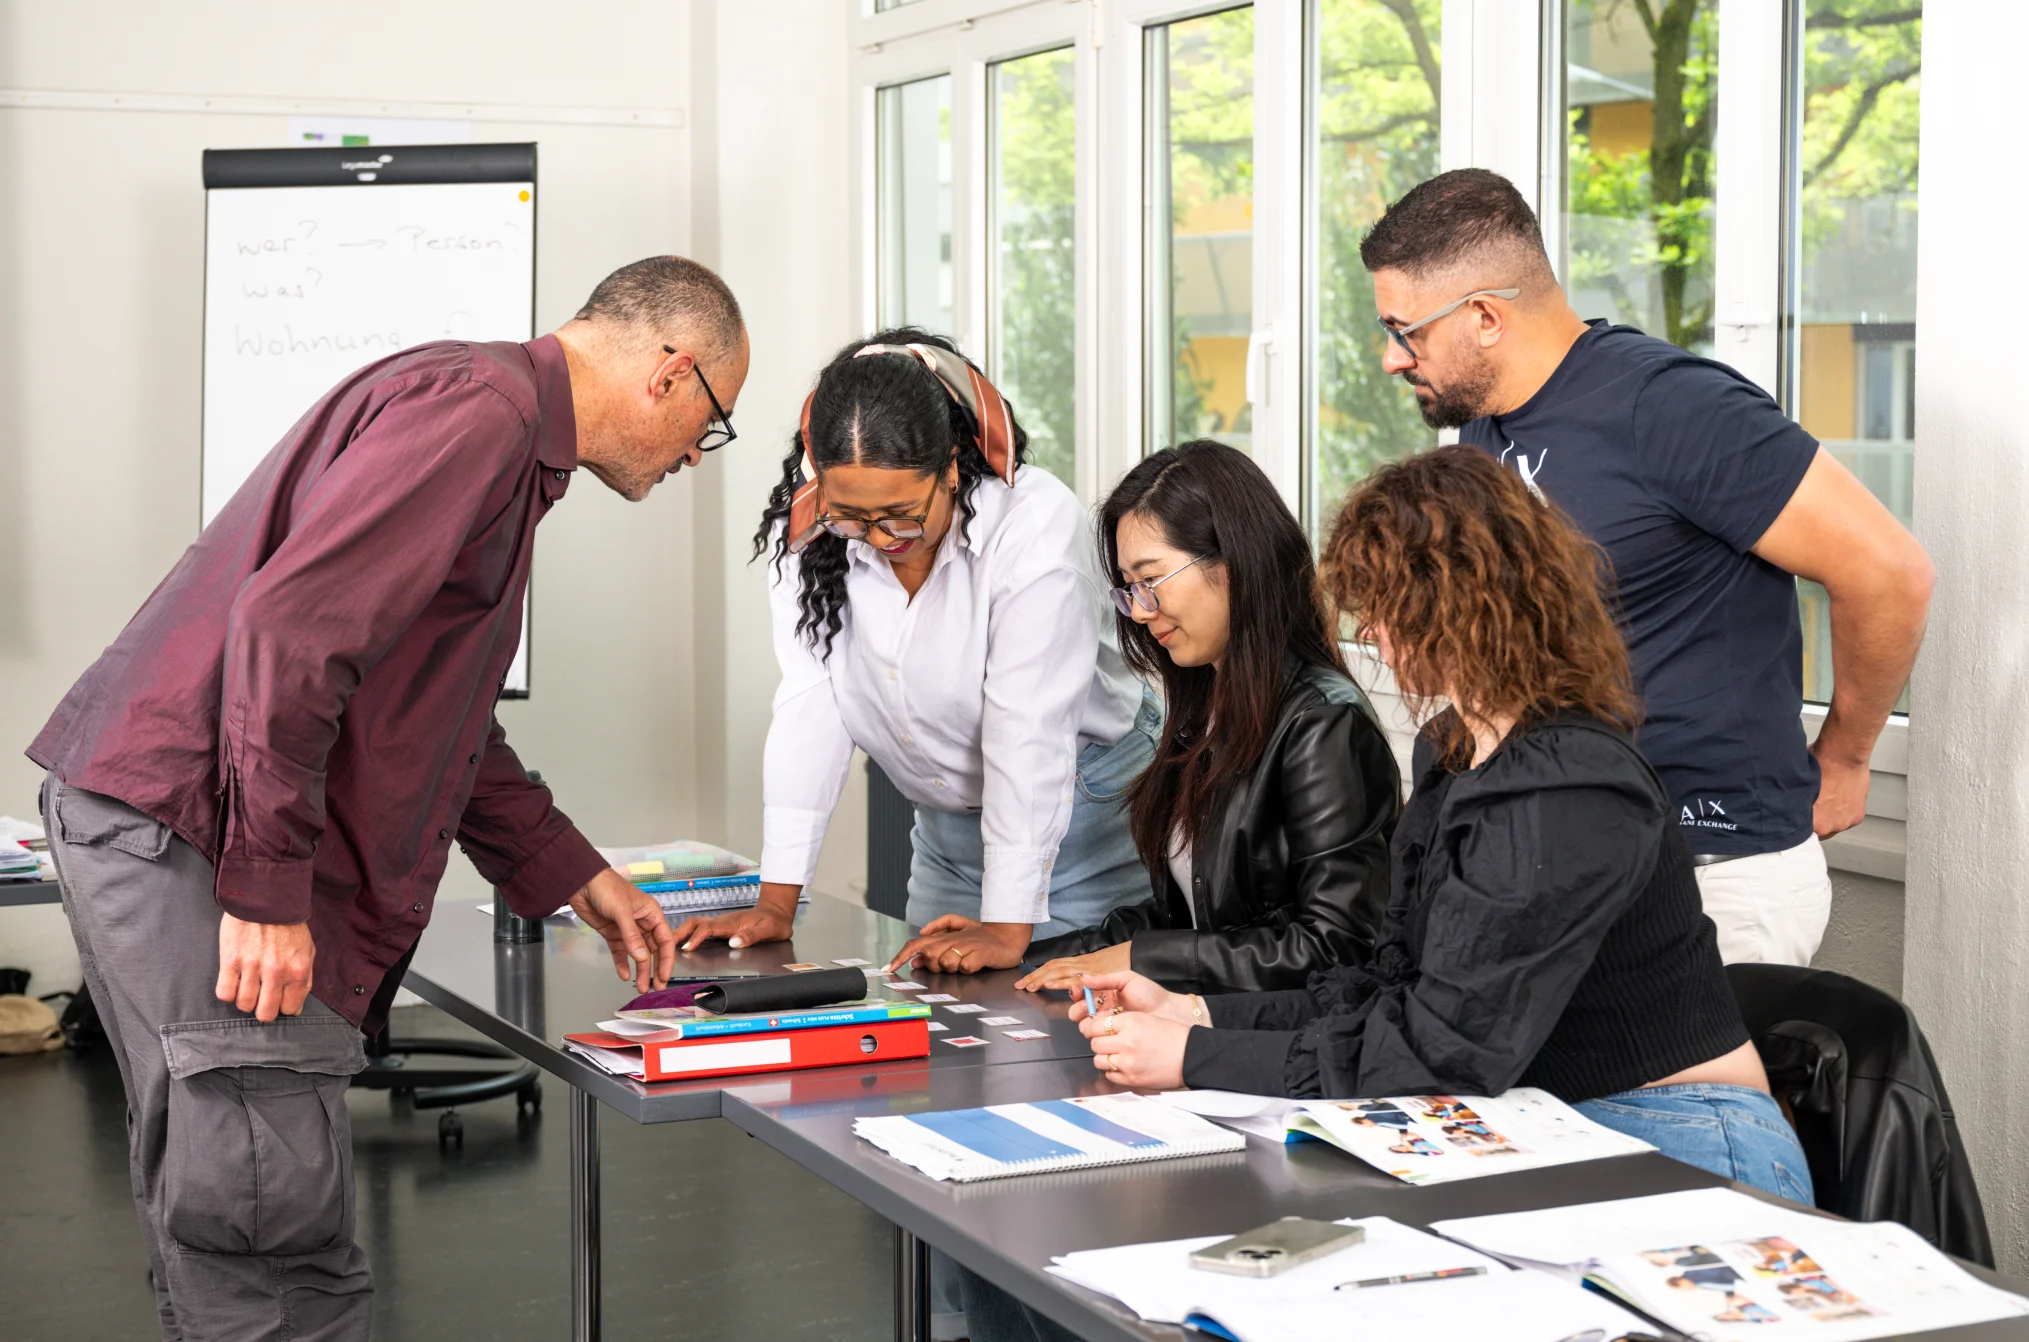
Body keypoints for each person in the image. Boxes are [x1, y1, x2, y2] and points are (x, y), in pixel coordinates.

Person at [27, 254, 743, 1339]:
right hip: (195, 836)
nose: (699, 452)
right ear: (669, 371)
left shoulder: (489, 419)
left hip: (164, 818)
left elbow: (429, 710)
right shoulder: (485, 415)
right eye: (713, 420)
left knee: (230, 1224)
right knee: (273, 1243)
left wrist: (571, 870)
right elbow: (295, 631)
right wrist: (265, 891)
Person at [1073, 447, 1815, 1205]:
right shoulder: (1455, 747)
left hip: (1679, 1132)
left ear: (1454, 602)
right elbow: (1388, 991)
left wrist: (1197, 1054)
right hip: (1544, 1116)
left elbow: (1441, 1051)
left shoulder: (1569, 781)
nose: (1377, 637)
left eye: (1385, 610)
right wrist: (1198, 1009)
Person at [1358, 168, 1934, 967]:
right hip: (1577, 849)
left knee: (1687, 1099)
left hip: (1715, 871)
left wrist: (1843, 757)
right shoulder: (1487, 431)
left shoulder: (1672, 407)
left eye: (1403, 330)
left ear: (1484, 316)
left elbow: (1888, 571)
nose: (1392, 358)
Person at [670, 330, 1157, 975]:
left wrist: (1008, 928)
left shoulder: (1033, 529)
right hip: (948, 835)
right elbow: (812, 708)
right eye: (852, 517)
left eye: (901, 514)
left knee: (1075, 1041)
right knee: (948, 1039)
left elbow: (1026, 730)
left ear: (953, 468)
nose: (878, 538)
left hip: (1087, 818)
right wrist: (777, 901)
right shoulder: (814, 534)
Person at [1008, 439, 1399, 994]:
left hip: (1279, 1047)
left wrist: (1143, 958)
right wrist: (1014, 958)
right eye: (1129, 590)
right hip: (1209, 1029)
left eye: (1152, 580)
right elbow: (1188, 919)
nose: (1141, 612)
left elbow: (1336, 946)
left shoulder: (1324, 724)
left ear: (1234, 562)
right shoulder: (1201, 711)